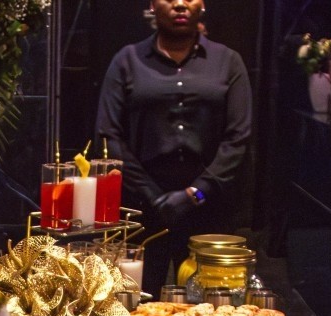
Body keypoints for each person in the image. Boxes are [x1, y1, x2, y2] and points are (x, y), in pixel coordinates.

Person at [95, 0, 252, 300]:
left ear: (202, 5)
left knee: (210, 311)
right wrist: (152, 196)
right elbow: (108, 135)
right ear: (153, 5)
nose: (180, 4)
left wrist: (197, 193)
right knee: (133, 305)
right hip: (141, 208)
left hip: (209, 207)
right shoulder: (127, 60)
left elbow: (238, 138)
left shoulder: (227, 61)